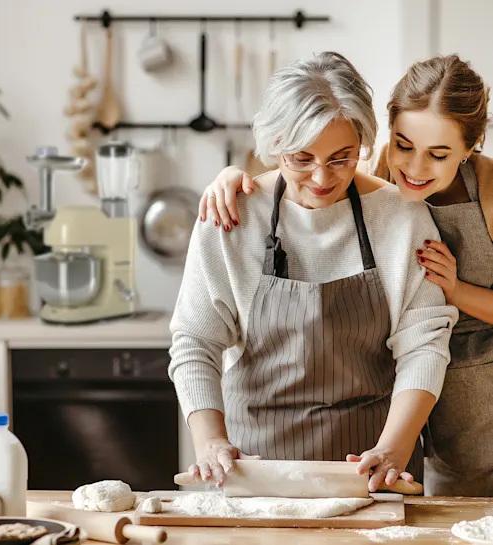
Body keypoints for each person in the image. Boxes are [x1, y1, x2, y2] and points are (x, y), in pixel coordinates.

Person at [199, 54, 493, 496]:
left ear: (471, 149)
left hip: (461, 399)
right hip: (380, 401)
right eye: (404, 145)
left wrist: (455, 290)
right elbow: (311, 164)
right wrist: (232, 179)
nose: (413, 168)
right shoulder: (368, 180)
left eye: (439, 154)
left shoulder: (462, 197)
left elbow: (424, 340)